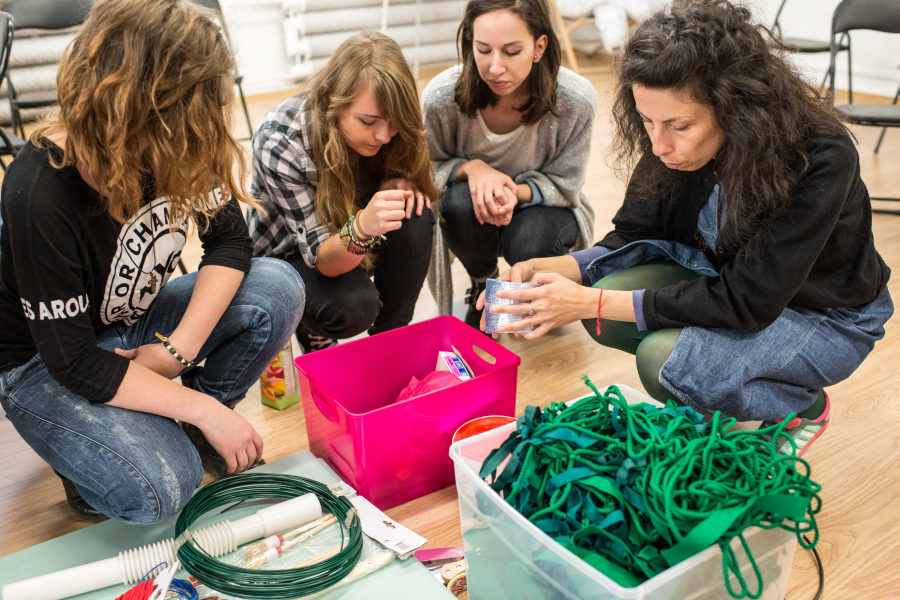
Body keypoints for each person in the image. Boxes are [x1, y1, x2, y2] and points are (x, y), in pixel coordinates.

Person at [480, 0, 893, 456]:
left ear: (735, 106)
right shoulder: (673, 138)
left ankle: (799, 403)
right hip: (732, 282)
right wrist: (562, 268)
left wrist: (587, 300)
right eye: (646, 120)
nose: (658, 144)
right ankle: (739, 386)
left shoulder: (821, 158)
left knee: (660, 357)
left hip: (826, 317)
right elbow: (634, 235)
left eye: (678, 125)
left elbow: (748, 300)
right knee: (607, 313)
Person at [0, 0, 305, 523]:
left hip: (128, 323)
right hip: (42, 361)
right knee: (162, 489)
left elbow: (231, 243)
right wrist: (202, 406)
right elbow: (73, 362)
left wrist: (172, 356)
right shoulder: (38, 192)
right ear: (144, 112)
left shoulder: (171, 143)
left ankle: (179, 428)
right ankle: (101, 456)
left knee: (279, 287)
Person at [247, 32, 438, 353]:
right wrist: (363, 226)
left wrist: (396, 182)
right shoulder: (280, 141)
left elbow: (410, 180)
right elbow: (324, 259)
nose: (385, 136)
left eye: (395, 123)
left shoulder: (388, 130)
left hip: (348, 224)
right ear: (329, 99)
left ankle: (389, 343)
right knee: (351, 308)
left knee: (415, 213)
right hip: (290, 252)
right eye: (368, 121)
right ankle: (309, 326)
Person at [422, 0, 596, 326]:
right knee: (458, 202)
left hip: (544, 207)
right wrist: (472, 169)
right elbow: (423, 169)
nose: (495, 67)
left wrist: (513, 192)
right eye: (483, 49)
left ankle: (519, 291)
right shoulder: (440, 98)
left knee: (527, 241)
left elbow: (567, 183)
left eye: (512, 51)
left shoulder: (577, 99)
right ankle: (483, 282)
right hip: (471, 211)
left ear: (539, 47)